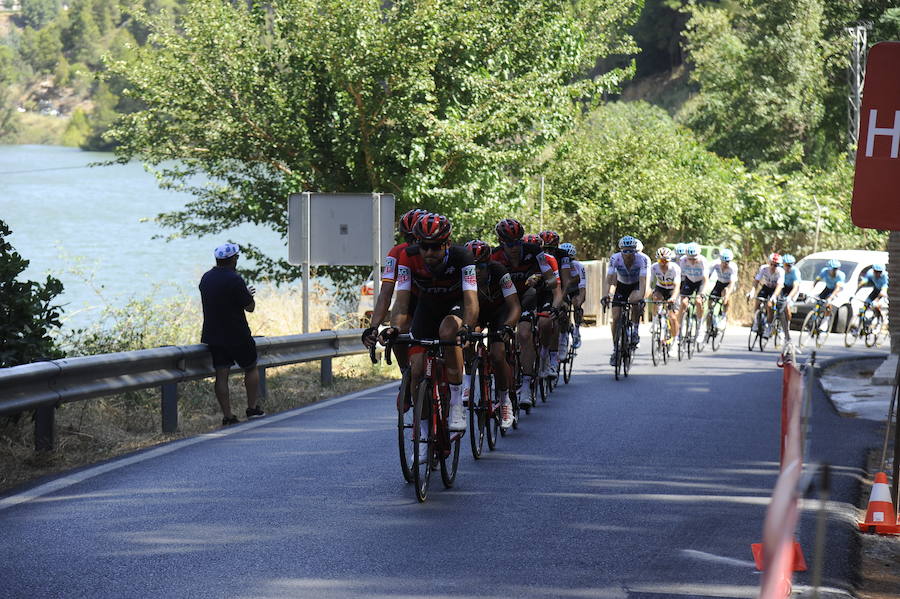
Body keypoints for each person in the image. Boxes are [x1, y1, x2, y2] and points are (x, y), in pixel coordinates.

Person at [386, 213, 479, 432]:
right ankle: (425, 434)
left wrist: (466, 327)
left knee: (448, 332)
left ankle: (456, 403)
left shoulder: (463, 256)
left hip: (454, 304)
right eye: (424, 246)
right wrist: (394, 327)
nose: (428, 252)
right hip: (426, 307)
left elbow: (471, 301)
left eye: (435, 247)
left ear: (447, 244)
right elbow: (401, 302)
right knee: (417, 370)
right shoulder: (408, 257)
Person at [490, 219, 561, 407]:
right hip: (505, 298)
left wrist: (540, 277)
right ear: (500, 242)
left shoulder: (534, 251)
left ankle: (528, 385)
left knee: (523, 334)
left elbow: (552, 280)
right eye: (509, 244)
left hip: (528, 295)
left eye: (517, 242)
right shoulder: (495, 256)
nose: (514, 248)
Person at [199, 243, 264, 426]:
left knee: (221, 374)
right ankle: (252, 409)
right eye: (236, 257)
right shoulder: (235, 279)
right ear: (233, 259)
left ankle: (228, 416)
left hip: (214, 335)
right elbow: (249, 307)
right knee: (250, 367)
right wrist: (249, 295)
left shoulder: (206, 278)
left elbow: (219, 299)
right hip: (237, 334)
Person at [466, 239, 521, 429]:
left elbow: (514, 306)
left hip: (500, 313)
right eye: (472, 267)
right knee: (464, 340)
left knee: (498, 355)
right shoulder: (464, 276)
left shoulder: (500, 272)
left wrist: (508, 326)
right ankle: (468, 378)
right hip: (477, 313)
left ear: (488, 265)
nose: (477, 271)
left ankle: (505, 401)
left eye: (481, 266)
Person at [605, 235, 650, 366]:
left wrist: (641, 297)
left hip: (636, 285)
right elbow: (609, 279)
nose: (628, 254)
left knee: (635, 301)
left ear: (635, 251)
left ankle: (635, 330)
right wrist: (606, 295)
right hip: (622, 285)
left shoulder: (642, 259)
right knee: (616, 317)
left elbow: (643, 281)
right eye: (625, 251)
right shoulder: (615, 258)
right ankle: (616, 348)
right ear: (621, 250)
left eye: (631, 250)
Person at [676, 242, 709, 340]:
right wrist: (678, 292)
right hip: (689, 281)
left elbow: (706, 279)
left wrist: (702, 292)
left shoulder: (703, 261)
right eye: (690, 258)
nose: (692, 261)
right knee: (683, 303)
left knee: (698, 301)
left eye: (694, 259)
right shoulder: (683, 260)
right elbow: (679, 278)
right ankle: (679, 328)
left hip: (700, 282)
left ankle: (700, 327)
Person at [748, 253, 785, 336]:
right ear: (769, 263)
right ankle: (756, 322)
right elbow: (757, 280)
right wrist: (752, 290)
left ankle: (768, 326)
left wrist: (774, 296)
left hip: (775, 289)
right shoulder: (763, 268)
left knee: (769, 305)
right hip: (766, 287)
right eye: (771, 264)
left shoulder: (780, 271)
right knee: (758, 300)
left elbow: (779, 286)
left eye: (775, 265)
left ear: (779, 265)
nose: (773, 266)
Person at [649, 246, 681, 341]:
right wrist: (648, 292)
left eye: (665, 261)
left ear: (670, 260)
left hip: (672, 290)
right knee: (655, 298)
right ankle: (655, 322)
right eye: (660, 261)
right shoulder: (654, 267)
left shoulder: (675, 268)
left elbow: (677, 285)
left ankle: (675, 341)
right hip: (661, 288)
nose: (663, 263)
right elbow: (649, 283)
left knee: (673, 317)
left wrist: (674, 297)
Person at [559, 242, 585, 348]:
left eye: (570, 259)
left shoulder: (579, 266)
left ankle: (577, 330)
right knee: (562, 310)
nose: (567, 262)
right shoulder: (557, 265)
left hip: (575, 288)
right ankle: (564, 333)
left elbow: (583, 287)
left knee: (577, 304)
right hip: (562, 288)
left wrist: (579, 302)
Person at [708, 248, 738, 323]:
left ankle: (724, 315)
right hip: (719, 282)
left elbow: (732, 283)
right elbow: (707, 276)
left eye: (727, 262)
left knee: (725, 292)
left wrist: (727, 296)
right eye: (723, 262)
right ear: (720, 260)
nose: (725, 264)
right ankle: (709, 325)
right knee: (711, 300)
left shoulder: (733, 267)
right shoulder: (715, 264)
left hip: (729, 284)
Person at [780, 254, 802, 325]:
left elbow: (795, 287)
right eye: (787, 265)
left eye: (791, 265)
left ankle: (787, 324)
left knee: (787, 306)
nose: (789, 267)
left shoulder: (795, 271)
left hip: (793, 289)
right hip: (784, 287)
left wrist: (789, 297)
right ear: (783, 264)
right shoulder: (780, 269)